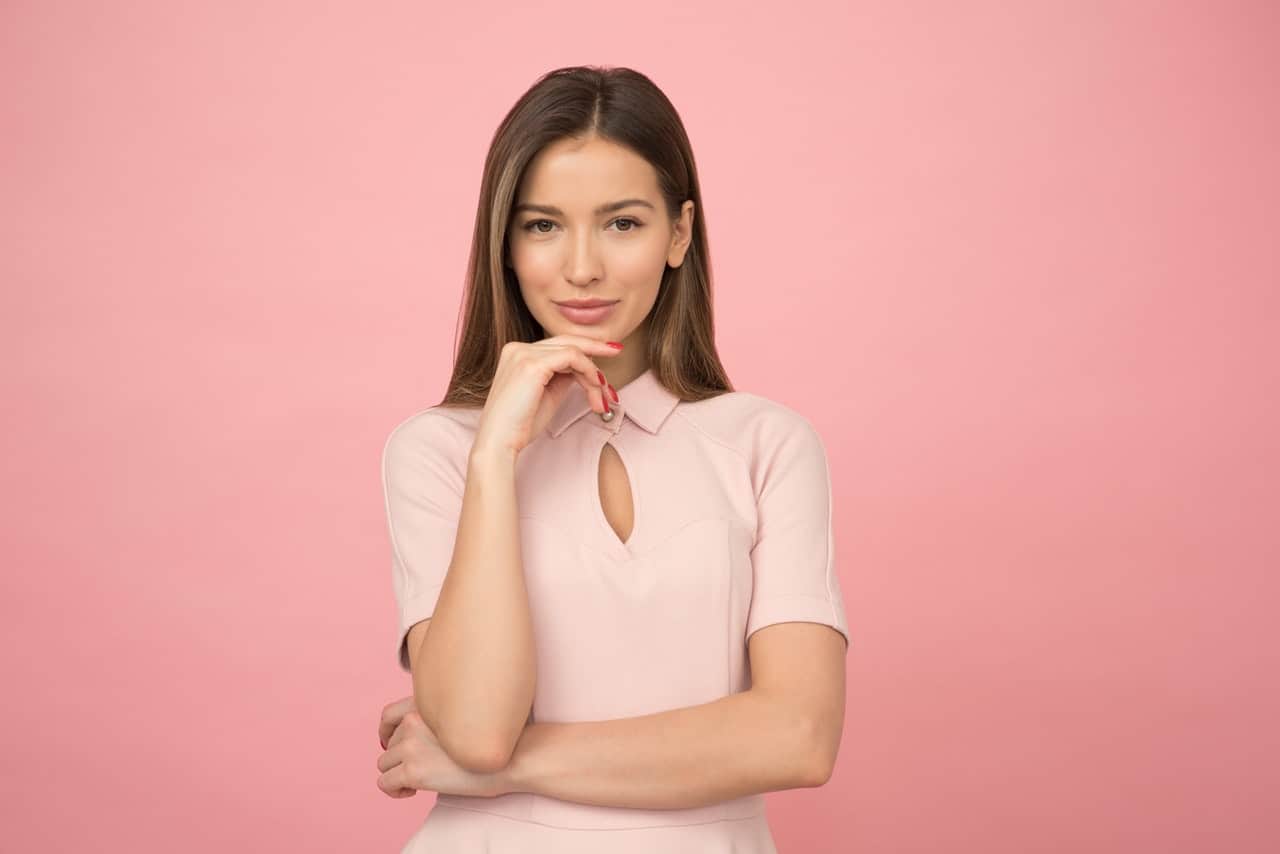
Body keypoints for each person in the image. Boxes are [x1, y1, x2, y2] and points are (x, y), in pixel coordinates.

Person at [374, 65, 850, 853]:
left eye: (623, 223)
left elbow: (797, 736)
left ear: (680, 234)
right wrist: (495, 455)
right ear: (505, 242)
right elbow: (476, 728)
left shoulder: (767, 443)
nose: (583, 266)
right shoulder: (439, 452)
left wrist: (502, 771)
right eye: (542, 225)